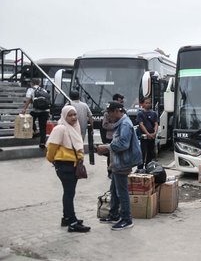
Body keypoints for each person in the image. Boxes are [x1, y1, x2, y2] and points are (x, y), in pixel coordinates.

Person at [96, 102, 142, 231]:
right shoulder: (120, 123)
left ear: (116, 111)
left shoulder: (125, 124)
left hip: (123, 162)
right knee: (114, 189)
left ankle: (127, 219)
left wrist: (106, 147)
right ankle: (114, 214)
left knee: (122, 192)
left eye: (109, 113)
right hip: (117, 162)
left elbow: (123, 144)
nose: (108, 116)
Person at [46, 105, 91, 233]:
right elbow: (51, 148)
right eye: (70, 115)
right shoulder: (60, 128)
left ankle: (67, 217)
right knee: (69, 193)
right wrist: (53, 161)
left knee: (69, 192)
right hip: (65, 165)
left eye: (75, 114)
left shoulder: (74, 127)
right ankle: (72, 222)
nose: (73, 117)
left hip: (73, 165)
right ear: (64, 116)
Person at [22, 78, 49, 148]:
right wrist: (49, 112)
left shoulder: (30, 89)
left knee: (28, 119)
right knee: (43, 127)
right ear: (39, 83)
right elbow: (48, 101)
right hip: (45, 111)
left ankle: (36, 130)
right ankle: (42, 143)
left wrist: (24, 109)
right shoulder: (44, 90)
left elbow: (28, 100)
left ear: (31, 83)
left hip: (36, 110)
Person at [102, 94, 124, 177]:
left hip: (118, 137)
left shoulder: (122, 113)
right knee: (110, 155)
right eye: (119, 101)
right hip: (110, 136)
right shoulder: (107, 114)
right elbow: (105, 125)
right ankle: (110, 171)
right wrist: (115, 126)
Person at [136, 97, 159, 169]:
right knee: (142, 152)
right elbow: (141, 124)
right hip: (144, 136)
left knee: (150, 152)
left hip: (152, 136)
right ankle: (140, 168)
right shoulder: (140, 113)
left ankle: (148, 167)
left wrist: (155, 132)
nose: (148, 104)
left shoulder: (154, 113)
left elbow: (156, 123)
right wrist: (147, 134)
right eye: (146, 103)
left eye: (149, 103)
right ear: (142, 104)